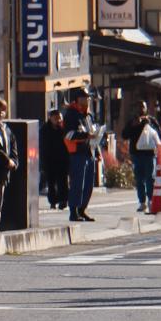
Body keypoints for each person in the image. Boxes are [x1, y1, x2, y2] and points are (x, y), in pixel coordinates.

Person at [62, 87, 98, 222]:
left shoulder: (89, 115)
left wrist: (97, 149)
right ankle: (74, 211)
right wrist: (86, 135)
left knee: (88, 185)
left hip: (89, 152)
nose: (88, 100)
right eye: (85, 98)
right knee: (77, 184)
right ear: (78, 99)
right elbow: (68, 135)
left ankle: (82, 210)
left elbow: (92, 134)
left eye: (88, 98)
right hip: (76, 153)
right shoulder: (71, 114)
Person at [0, 96, 19, 226]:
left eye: (3, 110)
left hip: (3, 173)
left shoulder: (5, 129)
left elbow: (13, 147)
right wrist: (6, 160)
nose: (1, 113)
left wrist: (13, 162)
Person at [129, 105, 161, 217]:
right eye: (138, 107)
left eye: (142, 107)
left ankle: (151, 200)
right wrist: (135, 125)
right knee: (139, 179)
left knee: (150, 178)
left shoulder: (151, 120)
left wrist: (149, 124)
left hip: (149, 154)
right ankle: (142, 202)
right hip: (136, 154)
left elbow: (158, 134)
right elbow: (125, 134)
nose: (140, 109)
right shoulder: (132, 121)